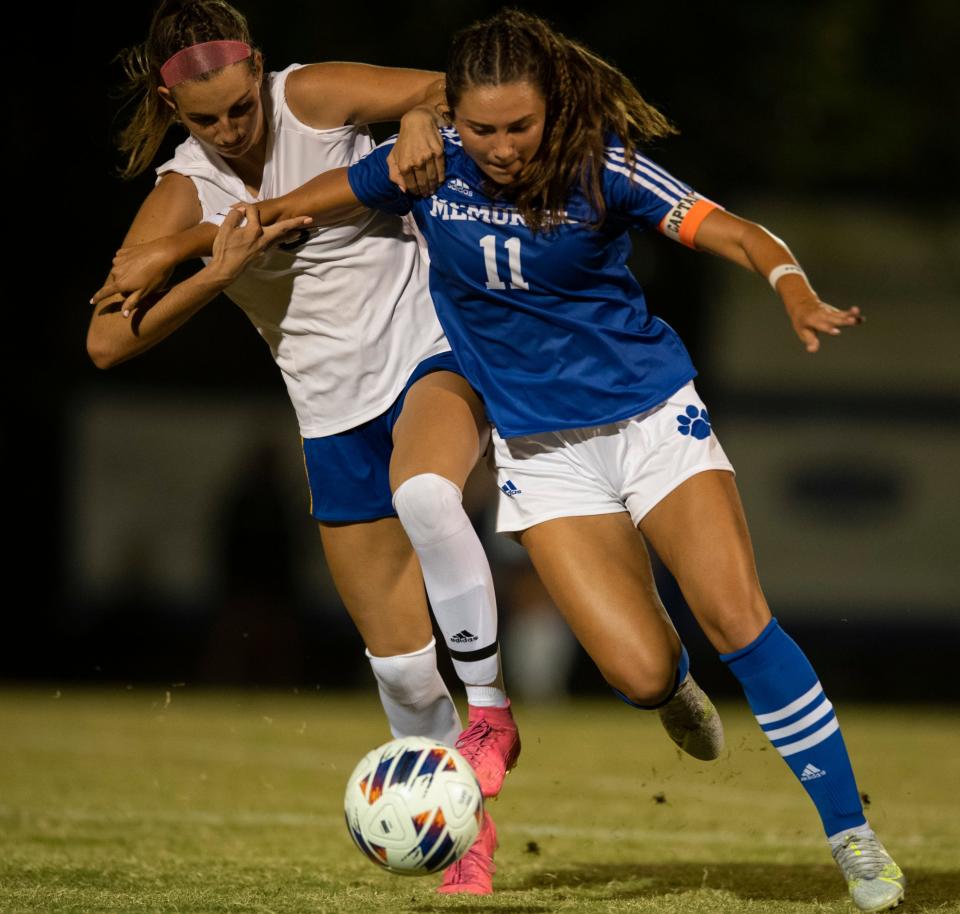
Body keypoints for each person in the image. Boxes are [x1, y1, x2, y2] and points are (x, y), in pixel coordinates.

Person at [186, 10, 904, 910]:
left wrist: (792, 289)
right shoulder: (429, 159)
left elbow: (737, 232)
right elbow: (310, 201)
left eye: (517, 127)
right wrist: (232, 236)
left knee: (738, 619)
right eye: (480, 128)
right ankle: (672, 686)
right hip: (542, 454)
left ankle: (854, 840)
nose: (499, 147)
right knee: (640, 674)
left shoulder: (597, 164)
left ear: (552, 106)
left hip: (650, 421)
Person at [88, 1, 723, 897]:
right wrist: (213, 276)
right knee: (399, 667)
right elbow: (109, 344)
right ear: (173, 109)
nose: (231, 128)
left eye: (240, 107)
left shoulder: (306, 96)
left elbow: (445, 89)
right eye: (207, 119)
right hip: (328, 412)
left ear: (259, 71)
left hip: (433, 351)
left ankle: (497, 716)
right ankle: (462, 834)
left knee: (427, 495)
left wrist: (423, 116)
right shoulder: (183, 189)